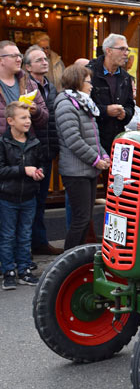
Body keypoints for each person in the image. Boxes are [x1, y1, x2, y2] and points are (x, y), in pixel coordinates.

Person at [55, 65, 110, 250]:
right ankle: (68, 258)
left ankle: (77, 258)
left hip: (89, 169)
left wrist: (103, 153)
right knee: (81, 218)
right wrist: (96, 159)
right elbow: (73, 140)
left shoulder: (84, 102)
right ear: (78, 81)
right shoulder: (65, 104)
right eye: (88, 81)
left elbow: (93, 137)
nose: (92, 85)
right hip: (75, 170)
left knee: (85, 218)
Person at [0, 101, 43, 289]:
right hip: (7, 197)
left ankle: (24, 270)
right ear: (10, 120)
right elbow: (1, 170)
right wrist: (23, 170)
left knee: (25, 235)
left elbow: (39, 164)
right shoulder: (3, 143)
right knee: (8, 235)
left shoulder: (34, 142)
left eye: (29, 118)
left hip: (28, 197)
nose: (28, 121)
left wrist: (38, 173)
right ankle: (8, 271)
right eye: (23, 117)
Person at [24, 45, 61, 257]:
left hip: (47, 151)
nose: (44, 62)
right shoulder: (26, 87)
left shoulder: (51, 87)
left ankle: (38, 242)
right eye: (38, 60)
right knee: (29, 201)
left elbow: (53, 120)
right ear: (28, 66)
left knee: (40, 201)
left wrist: (54, 147)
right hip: (30, 151)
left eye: (45, 58)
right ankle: (28, 245)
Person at [87, 34, 135, 154]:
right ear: (108, 51)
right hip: (93, 141)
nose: (126, 53)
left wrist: (125, 114)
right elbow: (82, 104)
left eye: (127, 49)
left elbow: (130, 105)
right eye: (122, 49)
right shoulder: (89, 72)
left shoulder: (126, 77)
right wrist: (105, 111)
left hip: (117, 141)